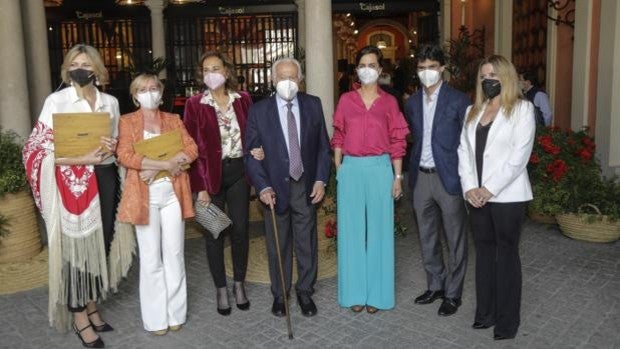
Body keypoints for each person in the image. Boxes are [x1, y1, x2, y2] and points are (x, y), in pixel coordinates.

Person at [23, 44, 134, 348]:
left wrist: (112, 146)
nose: (80, 68)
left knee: (102, 242)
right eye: (74, 63)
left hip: (107, 177)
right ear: (67, 68)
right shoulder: (56, 100)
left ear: (97, 69)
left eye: (86, 63)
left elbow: (117, 142)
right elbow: (35, 148)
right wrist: (79, 158)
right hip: (74, 183)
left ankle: (91, 303)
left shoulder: (110, 102)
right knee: (76, 248)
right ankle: (78, 315)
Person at [245, 57, 331, 318]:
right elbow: (250, 153)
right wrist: (262, 186)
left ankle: (305, 291)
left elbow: (323, 149)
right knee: (278, 244)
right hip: (274, 189)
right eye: (282, 77)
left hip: (304, 186)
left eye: (292, 77)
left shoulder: (313, 105)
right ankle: (280, 295)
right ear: (273, 80)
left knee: (306, 242)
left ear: (300, 79)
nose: (287, 82)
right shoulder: (259, 111)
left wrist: (320, 179)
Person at [457, 55, 535, 340]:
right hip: (476, 197)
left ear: (507, 77)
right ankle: (485, 312)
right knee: (485, 253)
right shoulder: (472, 111)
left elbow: (519, 157)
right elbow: (463, 152)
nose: (487, 80)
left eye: (493, 75)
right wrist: (469, 188)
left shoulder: (522, 110)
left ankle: (507, 320)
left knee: (507, 255)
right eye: (483, 76)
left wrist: (488, 189)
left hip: (508, 197)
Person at [116, 73, 198, 335]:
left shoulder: (173, 119)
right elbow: (125, 155)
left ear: (161, 94)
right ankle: (155, 318)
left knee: (174, 254)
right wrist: (165, 164)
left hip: (173, 194)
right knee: (151, 258)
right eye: (142, 89)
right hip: (144, 197)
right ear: (134, 95)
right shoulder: (127, 121)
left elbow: (192, 149)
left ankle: (176, 312)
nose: (148, 92)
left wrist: (157, 169)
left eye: (153, 88)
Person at [332, 45, 409, 314]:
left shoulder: (390, 102)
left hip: (380, 169)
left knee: (380, 232)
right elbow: (339, 136)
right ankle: (354, 292)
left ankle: (377, 294)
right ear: (357, 70)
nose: (367, 69)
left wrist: (397, 176)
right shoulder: (345, 100)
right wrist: (339, 167)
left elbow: (398, 141)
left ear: (380, 69)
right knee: (351, 232)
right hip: (351, 169)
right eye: (362, 65)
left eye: (372, 65)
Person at [183, 51, 254, 316]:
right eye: (206, 69)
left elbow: (253, 134)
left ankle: (239, 283)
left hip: (239, 173)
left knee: (240, 230)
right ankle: (221, 288)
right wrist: (199, 186)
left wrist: (257, 157)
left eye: (216, 68)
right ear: (202, 75)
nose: (211, 73)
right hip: (209, 177)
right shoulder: (194, 104)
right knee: (215, 232)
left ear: (226, 71)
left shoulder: (243, 100)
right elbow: (190, 146)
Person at [404, 44, 471, 317]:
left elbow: (467, 141)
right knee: (427, 235)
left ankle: (454, 294)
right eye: (421, 68)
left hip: (449, 178)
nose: (426, 73)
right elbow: (414, 139)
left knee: (455, 238)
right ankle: (435, 285)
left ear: (442, 68)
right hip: (420, 177)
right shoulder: (410, 103)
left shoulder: (458, 100)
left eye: (432, 67)